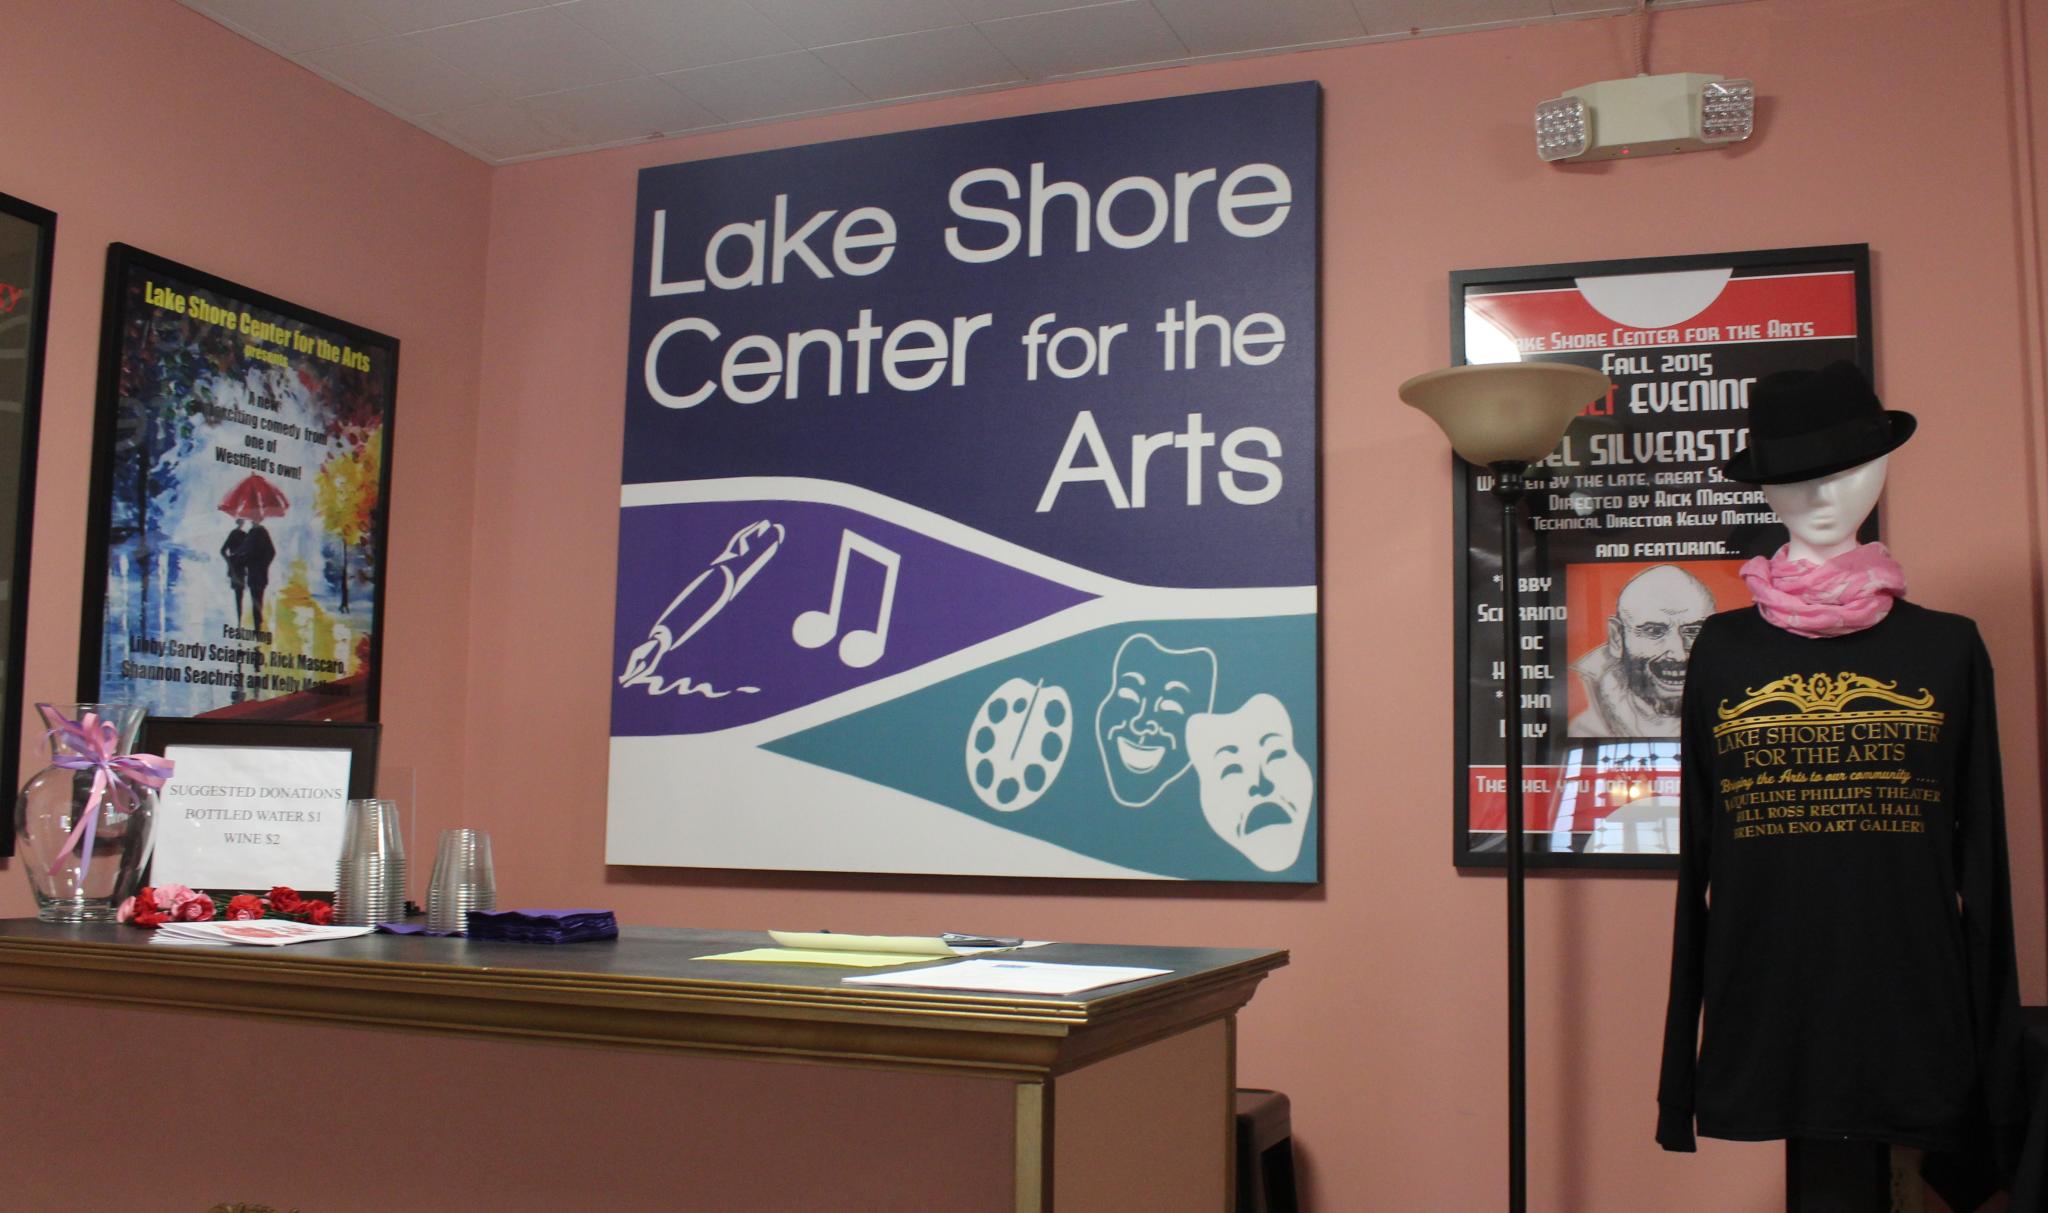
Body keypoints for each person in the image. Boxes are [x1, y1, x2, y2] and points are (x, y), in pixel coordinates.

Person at [1568, 564, 1715, 738]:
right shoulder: (1584, 720)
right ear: (1617, 638)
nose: (1678, 654)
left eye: (1693, 631)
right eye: (1654, 631)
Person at [242, 519, 276, 631]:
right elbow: (271, 552)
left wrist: (248, 563)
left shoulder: (252, 533)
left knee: (256, 600)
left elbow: (244, 553)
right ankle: (258, 626)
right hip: (260, 573)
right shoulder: (263, 532)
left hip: (254, 573)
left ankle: (258, 628)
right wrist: (264, 564)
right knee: (258, 600)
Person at [220, 519, 250, 623]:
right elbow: (223, 551)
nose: (242, 524)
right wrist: (230, 560)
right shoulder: (238, 534)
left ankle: (239, 620)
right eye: (241, 522)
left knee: (239, 593)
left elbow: (223, 551)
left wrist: (230, 560)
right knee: (239, 593)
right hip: (237, 567)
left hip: (239, 567)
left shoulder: (243, 535)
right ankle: (239, 620)